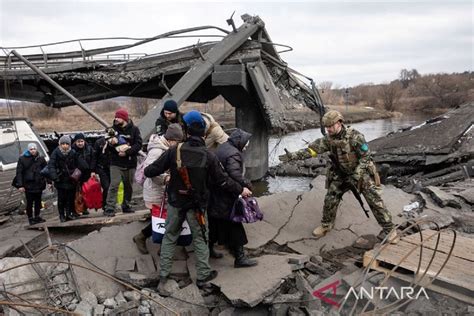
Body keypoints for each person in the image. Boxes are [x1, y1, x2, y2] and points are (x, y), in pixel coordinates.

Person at [144, 110, 252, 296]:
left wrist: (169, 177)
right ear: (203, 133)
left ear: (186, 131)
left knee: (170, 237)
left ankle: (163, 275)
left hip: (176, 203)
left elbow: (149, 171)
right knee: (201, 238)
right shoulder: (209, 156)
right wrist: (241, 189)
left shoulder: (173, 151)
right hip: (197, 207)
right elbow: (223, 180)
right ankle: (203, 276)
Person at [279, 110, 399, 244]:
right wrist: (293, 156)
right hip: (341, 173)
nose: (328, 129)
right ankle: (326, 225)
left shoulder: (355, 137)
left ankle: (389, 230)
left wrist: (357, 174)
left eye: (331, 126)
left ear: (339, 123)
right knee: (331, 198)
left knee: (374, 200)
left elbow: (366, 157)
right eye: (326, 127)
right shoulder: (328, 139)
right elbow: (312, 150)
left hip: (359, 173)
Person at [208, 129, 258, 267]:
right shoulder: (234, 153)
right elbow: (234, 173)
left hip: (215, 193)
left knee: (214, 224)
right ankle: (240, 258)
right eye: (246, 142)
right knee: (235, 225)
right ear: (240, 141)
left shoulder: (223, 147)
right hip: (226, 195)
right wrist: (246, 185)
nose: (247, 145)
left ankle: (209, 250)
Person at [133, 124, 184, 254]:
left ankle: (161, 247)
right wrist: (165, 178)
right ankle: (144, 238)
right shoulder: (157, 151)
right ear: (172, 140)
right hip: (155, 191)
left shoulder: (165, 148)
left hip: (162, 191)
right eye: (178, 142)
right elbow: (148, 171)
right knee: (162, 219)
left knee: (164, 219)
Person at [103, 108, 143, 217]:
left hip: (130, 162)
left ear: (124, 118)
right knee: (114, 184)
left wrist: (127, 152)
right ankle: (110, 208)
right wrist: (112, 144)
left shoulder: (134, 130)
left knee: (128, 185)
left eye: (118, 117)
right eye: (115, 117)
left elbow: (138, 144)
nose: (116, 119)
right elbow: (107, 147)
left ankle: (126, 205)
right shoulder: (112, 130)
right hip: (116, 162)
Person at [49, 135, 87, 222]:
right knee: (61, 199)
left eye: (67, 144)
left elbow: (82, 164)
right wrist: (54, 177)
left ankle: (69, 214)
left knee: (70, 198)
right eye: (63, 144)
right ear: (60, 144)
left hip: (71, 179)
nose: (65, 146)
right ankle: (62, 215)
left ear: (69, 144)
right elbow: (51, 166)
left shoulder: (73, 153)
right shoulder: (55, 153)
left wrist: (78, 171)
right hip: (60, 179)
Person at [15, 143, 48, 225]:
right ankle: (30, 218)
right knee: (29, 202)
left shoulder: (41, 158)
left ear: (36, 149)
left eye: (34, 149)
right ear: (28, 150)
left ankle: (37, 216)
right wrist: (20, 185)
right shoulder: (22, 159)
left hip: (39, 183)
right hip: (28, 185)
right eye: (31, 149)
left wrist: (49, 181)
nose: (33, 150)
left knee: (38, 202)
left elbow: (46, 170)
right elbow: (19, 173)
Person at [72, 133, 95, 215]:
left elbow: (93, 160)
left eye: (81, 141)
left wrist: (92, 170)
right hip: (76, 174)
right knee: (76, 193)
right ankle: (75, 210)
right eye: (78, 141)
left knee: (86, 191)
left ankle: (85, 208)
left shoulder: (89, 149)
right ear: (75, 142)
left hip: (87, 173)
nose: (80, 143)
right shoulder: (72, 150)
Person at [91, 135, 111, 210]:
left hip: (111, 167)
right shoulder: (99, 143)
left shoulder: (115, 142)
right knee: (106, 186)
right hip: (101, 167)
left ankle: (109, 203)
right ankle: (105, 204)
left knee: (112, 187)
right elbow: (94, 156)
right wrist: (93, 170)